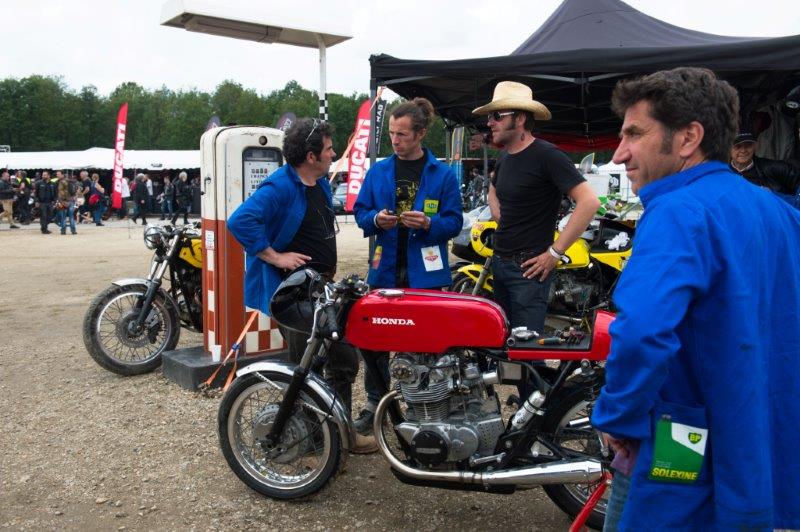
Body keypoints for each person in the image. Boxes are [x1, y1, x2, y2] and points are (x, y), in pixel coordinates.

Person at [591, 67, 800, 530]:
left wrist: (618, 417)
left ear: (688, 138)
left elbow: (642, 330)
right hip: (759, 449)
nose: (620, 153)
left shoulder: (677, 211)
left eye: (634, 134)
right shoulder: (776, 211)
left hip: (685, 447)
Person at [227, 118, 375, 454]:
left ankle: (340, 434)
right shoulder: (280, 186)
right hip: (295, 295)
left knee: (342, 359)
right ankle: (310, 446)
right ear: (310, 156)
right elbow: (239, 221)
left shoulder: (319, 183)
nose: (334, 153)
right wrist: (275, 256)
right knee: (305, 368)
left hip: (322, 289)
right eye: (328, 149)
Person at [352, 97, 463, 434]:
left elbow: (455, 222)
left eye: (402, 134)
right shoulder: (379, 171)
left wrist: (429, 224)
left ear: (421, 134)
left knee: (423, 340)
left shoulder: (442, 175)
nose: (395, 141)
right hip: (385, 269)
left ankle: (422, 402)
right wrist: (376, 219)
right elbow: (360, 213)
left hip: (425, 275)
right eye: (391, 134)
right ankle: (376, 400)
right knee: (374, 339)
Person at [472, 81, 600, 336]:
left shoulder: (547, 155)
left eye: (497, 115)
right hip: (501, 263)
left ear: (519, 119)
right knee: (504, 346)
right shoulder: (506, 156)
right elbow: (494, 189)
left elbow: (590, 202)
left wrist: (554, 252)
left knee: (526, 350)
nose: (490, 122)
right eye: (489, 116)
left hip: (528, 270)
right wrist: (499, 213)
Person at [729, 130, 800, 207]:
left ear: (755, 145)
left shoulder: (773, 167)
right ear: (728, 148)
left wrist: (774, 196)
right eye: (737, 146)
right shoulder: (723, 174)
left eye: (748, 145)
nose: (743, 150)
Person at [55, 170, 77, 235]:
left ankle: (63, 230)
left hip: (63, 201)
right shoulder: (71, 181)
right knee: (71, 216)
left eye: (58, 174)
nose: (57, 176)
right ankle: (73, 230)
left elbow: (60, 193)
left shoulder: (61, 182)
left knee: (63, 216)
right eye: (57, 174)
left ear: (62, 175)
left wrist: (60, 201)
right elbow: (74, 191)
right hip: (71, 201)